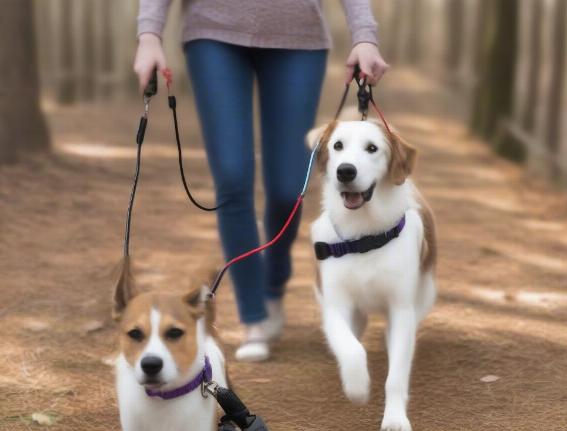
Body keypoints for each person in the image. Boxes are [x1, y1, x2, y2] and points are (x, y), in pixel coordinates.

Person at [134, 0, 388, 361]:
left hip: (299, 37)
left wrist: (365, 36)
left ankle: (273, 278)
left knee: (288, 188)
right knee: (233, 179)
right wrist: (149, 34)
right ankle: (254, 315)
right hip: (212, 32)